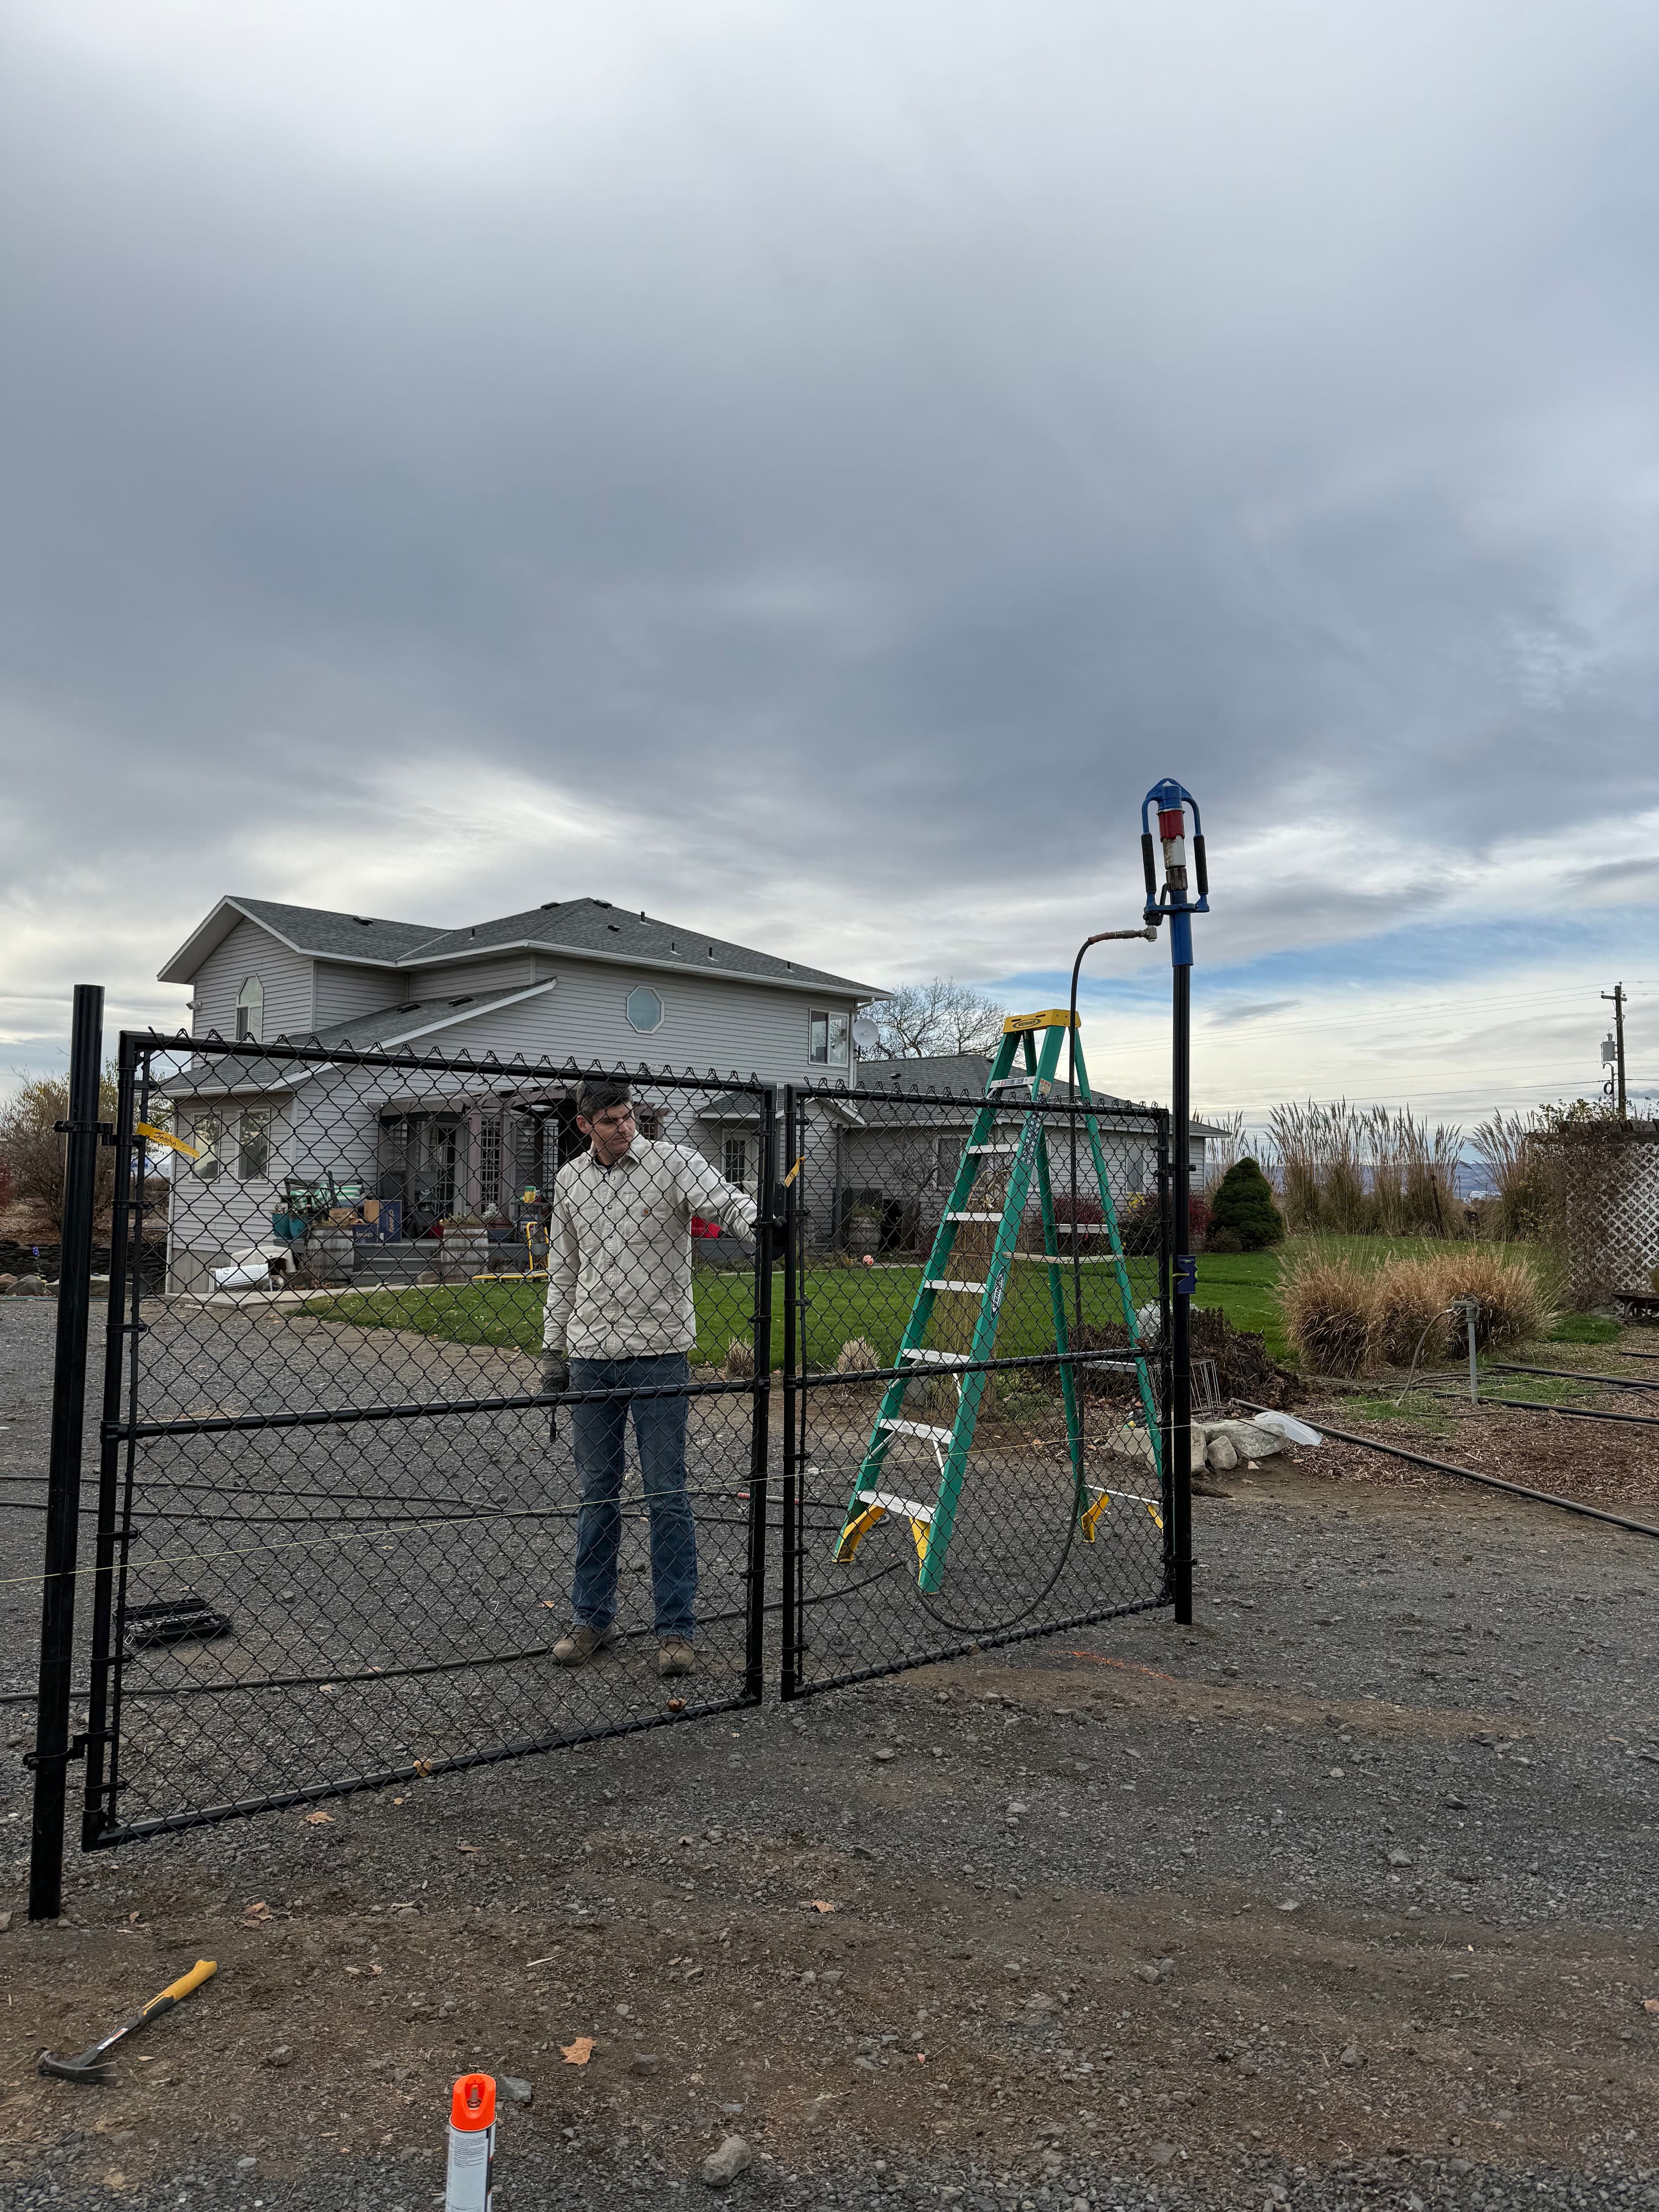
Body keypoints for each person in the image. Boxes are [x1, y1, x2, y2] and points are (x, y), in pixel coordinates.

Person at [541, 1079, 759, 1678]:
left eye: (628, 1115)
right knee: (596, 1492)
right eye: (609, 1119)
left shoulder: (672, 1163)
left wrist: (760, 1225)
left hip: (659, 1351)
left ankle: (675, 1629)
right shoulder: (571, 1181)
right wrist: (552, 1349)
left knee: (667, 1491)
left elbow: (723, 1200)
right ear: (585, 1125)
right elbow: (564, 1267)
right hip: (591, 1355)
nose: (624, 1127)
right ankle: (592, 1619)